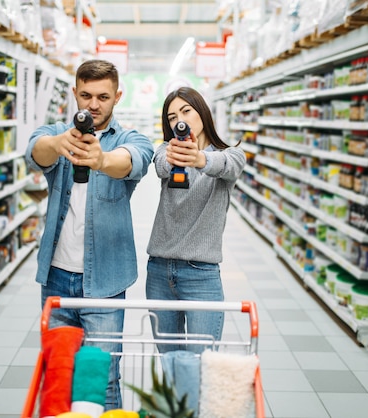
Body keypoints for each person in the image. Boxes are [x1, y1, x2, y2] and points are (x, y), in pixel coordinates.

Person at [24, 59, 154, 409]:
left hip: (106, 283)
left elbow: (134, 159)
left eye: (102, 96)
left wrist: (100, 160)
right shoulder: (56, 132)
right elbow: (35, 152)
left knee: (104, 378)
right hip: (56, 277)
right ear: (75, 94)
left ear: (117, 97)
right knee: (58, 374)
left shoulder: (129, 138)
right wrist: (60, 143)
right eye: (86, 95)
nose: (93, 105)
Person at [146, 86, 245, 354]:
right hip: (159, 271)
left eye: (186, 110)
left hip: (201, 275)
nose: (180, 118)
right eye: (171, 116)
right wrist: (177, 155)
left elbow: (228, 165)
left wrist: (199, 158)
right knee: (170, 364)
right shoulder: (166, 150)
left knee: (202, 366)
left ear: (202, 112)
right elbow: (160, 167)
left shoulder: (230, 154)